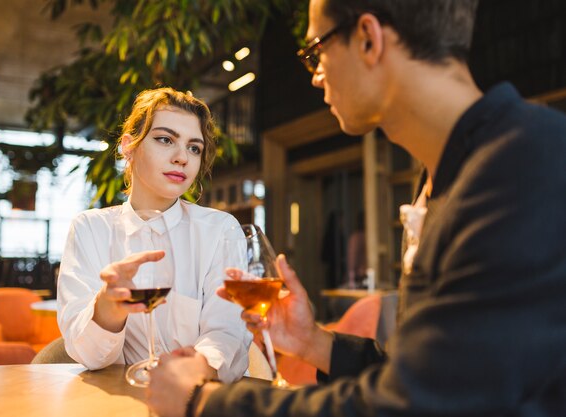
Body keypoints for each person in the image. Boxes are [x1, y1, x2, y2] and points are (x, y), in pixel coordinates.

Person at [145, 0, 566, 416]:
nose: (315, 77)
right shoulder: (443, 177)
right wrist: (315, 342)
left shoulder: (526, 164)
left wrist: (203, 402)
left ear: (368, 38)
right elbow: (444, 377)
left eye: (316, 52)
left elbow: (416, 407)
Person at [57, 87, 252, 383]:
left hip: (204, 396)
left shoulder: (220, 230)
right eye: (165, 139)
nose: (182, 158)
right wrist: (108, 307)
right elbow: (89, 356)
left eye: (194, 148)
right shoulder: (90, 229)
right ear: (128, 146)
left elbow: (228, 334)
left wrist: (188, 376)